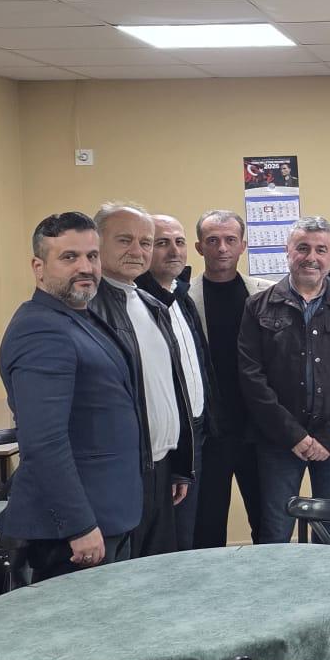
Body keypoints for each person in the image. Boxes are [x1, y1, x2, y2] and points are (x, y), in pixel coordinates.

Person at [0, 212, 143, 581]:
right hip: (76, 532)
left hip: (110, 514)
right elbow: (43, 442)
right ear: (38, 267)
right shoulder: (41, 330)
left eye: (92, 256)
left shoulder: (81, 318)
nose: (85, 267)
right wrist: (78, 524)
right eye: (69, 257)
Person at [237, 216, 330, 545]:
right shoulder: (258, 306)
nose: (311, 257)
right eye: (302, 248)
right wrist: (294, 436)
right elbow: (251, 378)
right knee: (275, 530)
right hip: (279, 441)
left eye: (321, 249)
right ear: (287, 251)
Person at [87, 203, 193, 558]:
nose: (137, 250)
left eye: (145, 242)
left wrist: (179, 466)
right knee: (123, 577)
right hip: (119, 474)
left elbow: (169, 387)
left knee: (158, 573)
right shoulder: (86, 309)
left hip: (159, 469)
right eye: (125, 240)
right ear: (97, 242)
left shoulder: (151, 304)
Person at [188, 210, 272, 547]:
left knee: (268, 525)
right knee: (206, 528)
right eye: (212, 240)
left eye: (229, 240)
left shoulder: (267, 294)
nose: (221, 248)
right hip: (211, 434)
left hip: (258, 430)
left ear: (242, 246)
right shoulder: (182, 299)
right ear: (199, 247)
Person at [136, 213, 213, 552]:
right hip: (165, 441)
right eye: (161, 242)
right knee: (168, 539)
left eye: (179, 242)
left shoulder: (181, 296)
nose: (173, 250)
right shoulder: (139, 302)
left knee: (189, 530)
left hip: (196, 431)